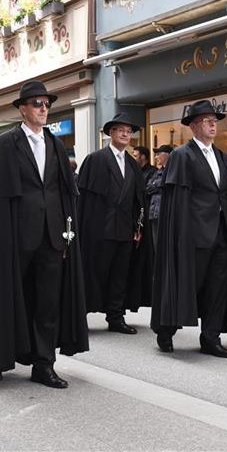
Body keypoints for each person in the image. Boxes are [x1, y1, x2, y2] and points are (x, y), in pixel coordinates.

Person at [0, 81, 88, 388]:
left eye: (46, 104)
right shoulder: (5, 143)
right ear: (23, 110)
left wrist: (67, 232)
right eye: (36, 104)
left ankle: (43, 364)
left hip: (51, 235)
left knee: (47, 302)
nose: (43, 108)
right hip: (15, 235)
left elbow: (64, 191)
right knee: (8, 296)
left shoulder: (57, 145)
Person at [151, 99, 227, 357]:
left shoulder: (221, 156)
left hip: (223, 234)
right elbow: (177, 202)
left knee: (218, 287)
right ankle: (166, 329)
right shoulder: (182, 155)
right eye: (206, 120)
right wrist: (182, 234)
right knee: (186, 283)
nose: (213, 124)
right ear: (193, 126)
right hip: (193, 235)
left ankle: (210, 338)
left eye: (214, 120)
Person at [78, 113, 150, 334]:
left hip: (125, 230)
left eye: (128, 131)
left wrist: (138, 227)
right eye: (120, 130)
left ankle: (116, 316)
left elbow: (138, 199)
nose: (125, 134)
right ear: (110, 133)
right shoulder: (95, 159)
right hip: (100, 228)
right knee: (94, 271)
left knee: (120, 274)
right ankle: (81, 315)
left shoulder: (132, 164)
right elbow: (84, 198)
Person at [146, 144, 173, 253]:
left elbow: (168, 185)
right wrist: (159, 185)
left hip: (168, 213)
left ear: (168, 155)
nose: (156, 157)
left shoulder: (174, 170)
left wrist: (156, 184)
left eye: (158, 154)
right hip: (154, 214)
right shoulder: (157, 172)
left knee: (168, 248)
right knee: (157, 248)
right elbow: (148, 187)